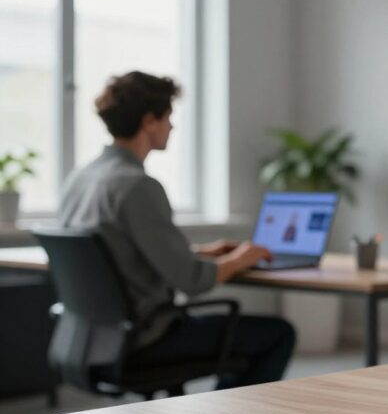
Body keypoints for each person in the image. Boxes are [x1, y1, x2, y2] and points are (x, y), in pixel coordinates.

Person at [58, 71, 295, 390]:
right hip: (143, 340)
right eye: (168, 116)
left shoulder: (80, 179)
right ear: (149, 121)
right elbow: (192, 280)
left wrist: (199, 252)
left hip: (90, 339)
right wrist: (242, 258)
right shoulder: (137, 186)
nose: (172, 125)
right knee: (278, 333)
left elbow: (115, 256)